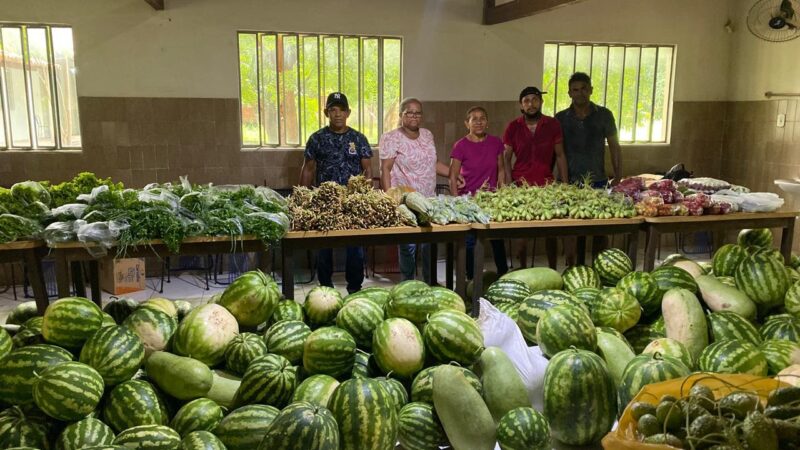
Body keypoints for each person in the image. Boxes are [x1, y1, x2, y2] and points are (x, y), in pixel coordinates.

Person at [300, 92, 371, 294]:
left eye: (341, 110)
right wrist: (301, 198)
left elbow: (367, 170)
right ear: (326, 113)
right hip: (325, 202)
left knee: (355, 247)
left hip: (352, 202)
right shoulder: (317, 138)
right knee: (324, 246)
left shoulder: (359, 139)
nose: (337, 114)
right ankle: (326, 289)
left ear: (348, 112)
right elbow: (308, 169)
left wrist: (367, 197)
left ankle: (355, 289)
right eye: (333, 110)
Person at [379, 97, 451, 284]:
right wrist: (390, 198)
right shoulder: (391, 137)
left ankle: (430, 284)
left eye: (417, 112)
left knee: (429, 244)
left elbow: (433, 164)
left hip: (428, 199)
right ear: (401, 115)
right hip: (406, 200)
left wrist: (453, 173)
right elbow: (385, 169)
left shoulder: (427, 135)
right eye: (409, 112)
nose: (414, 116)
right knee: (408, 246)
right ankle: (407, 285)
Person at [556, 72, 623, 262]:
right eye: (575, 90)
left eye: (584, 89)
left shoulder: (604, 115)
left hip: (598, 181)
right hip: (569, 183)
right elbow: (556, 152)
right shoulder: (560, 118)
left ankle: (598, 267)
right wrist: (557, 181)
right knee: (570, 229)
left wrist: (618, 176)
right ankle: (573, 268)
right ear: (569, 93)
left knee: (600, 230)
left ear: (591, 90)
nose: (580, 93)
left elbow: (615, 146)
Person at [502, 86, 568, 269]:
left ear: (541, 102)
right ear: (521, 105)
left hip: (547, 185)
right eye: (526, 101)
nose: (531, 104)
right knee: (522, 235)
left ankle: (553, 269)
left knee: (550, 233)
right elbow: (506, 158)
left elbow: (561, 155)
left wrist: (565, 184)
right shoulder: (513, 127)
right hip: (520, 186)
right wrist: (508, 185)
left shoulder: (553, 125)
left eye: (535, 99)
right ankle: (522, 270)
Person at [449, 106, 508, 280]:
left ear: (487, 122)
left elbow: (502, 170)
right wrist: (456, 203)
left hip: (492, 200)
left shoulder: (496, 143)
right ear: (467, 123)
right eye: (474, 119)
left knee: (497, 238)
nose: (479, 122)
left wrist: (502, 192)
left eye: (482, 118)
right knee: (469, 242)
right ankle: (470, 278)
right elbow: (453, 176)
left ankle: (503, 274)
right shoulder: (460, 146)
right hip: (469, 201)